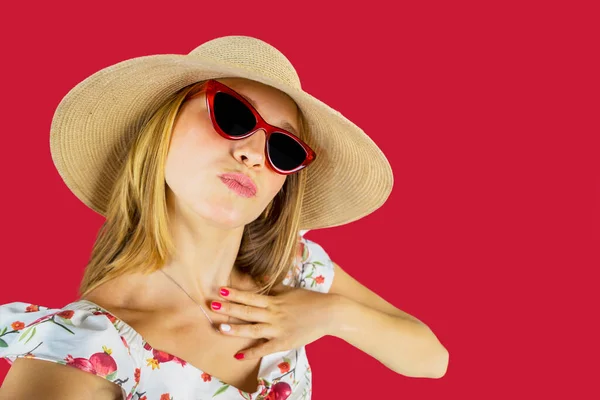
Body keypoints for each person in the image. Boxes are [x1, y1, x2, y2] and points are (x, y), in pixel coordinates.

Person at [0, 36, 446, 400]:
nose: (253, 154)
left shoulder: (289, 271)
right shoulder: (81, 350)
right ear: (161, 127)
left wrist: (332, 316)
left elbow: (432, 360)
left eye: (282, 149)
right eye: (232, 115)